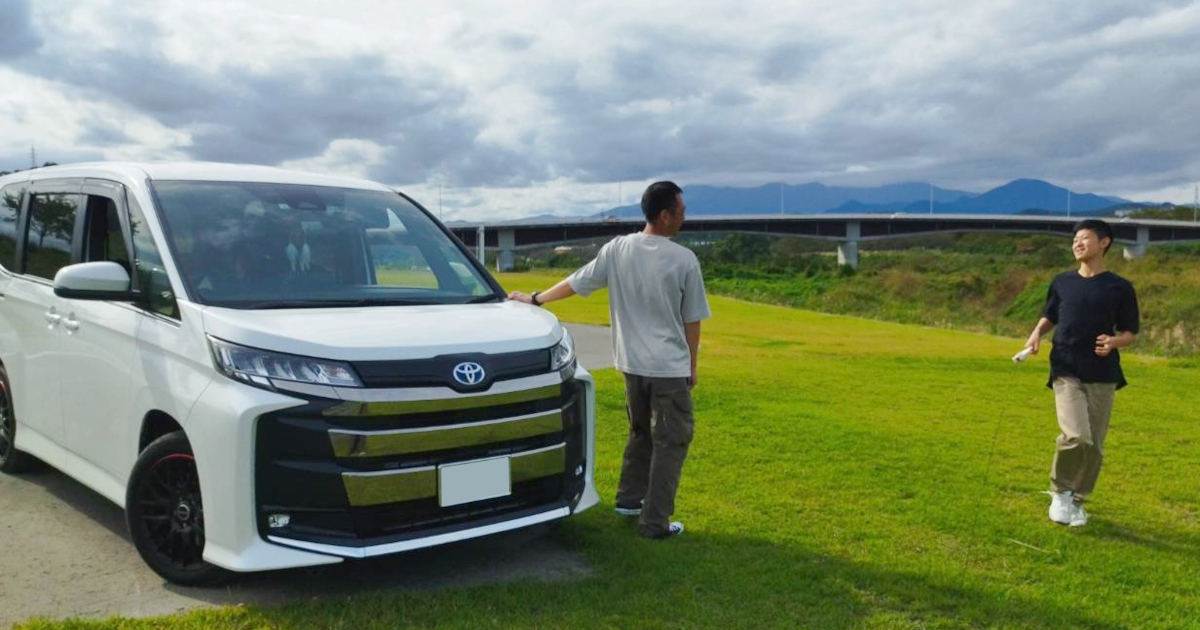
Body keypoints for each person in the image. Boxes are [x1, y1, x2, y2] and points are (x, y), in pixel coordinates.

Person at [509, 181, 710, 539]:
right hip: (668, 368)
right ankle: (655, 522)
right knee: (672, 441)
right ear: (664, 215)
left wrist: (537, 299)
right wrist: (692, 365)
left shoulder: (617, 249)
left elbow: (577, 281)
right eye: (680, 212)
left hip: (631, 365)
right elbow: (691, 320)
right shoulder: (684, 260)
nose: (683, 218)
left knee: (639, 433)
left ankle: (629, 500)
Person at [1023, 219, 1139, 527]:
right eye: (1075, 239)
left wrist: (1114, 342)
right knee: (1076, 436)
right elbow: (1050, 314)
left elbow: (1130, 332)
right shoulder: (1062, 282)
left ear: (1104, 243)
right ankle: (1060, 492)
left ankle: (1077, 501)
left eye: (1085, 238)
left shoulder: (1120, 287)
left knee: (1095, 445)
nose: (1077, 243)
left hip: (1103, 373)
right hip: (1065, 367)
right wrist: (1036, 334)